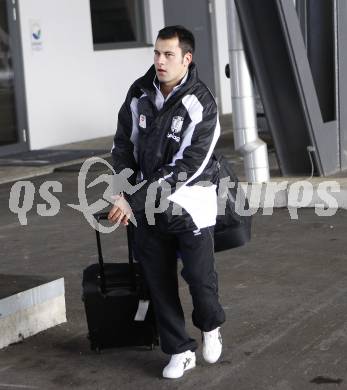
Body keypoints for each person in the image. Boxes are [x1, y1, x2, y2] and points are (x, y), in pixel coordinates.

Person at [108, 25, 226, 379]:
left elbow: (186, 168)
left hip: (191, 205)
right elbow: (123, 145)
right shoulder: (139, 92)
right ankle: (179, 350)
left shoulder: (202, 103)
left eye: (168, 55)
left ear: (186, 59)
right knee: (158, 283)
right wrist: (121, 190)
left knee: (200, 281)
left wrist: (133, 200)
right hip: (148, 208)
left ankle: (210, 325)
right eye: (157, 53)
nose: (160, 61)